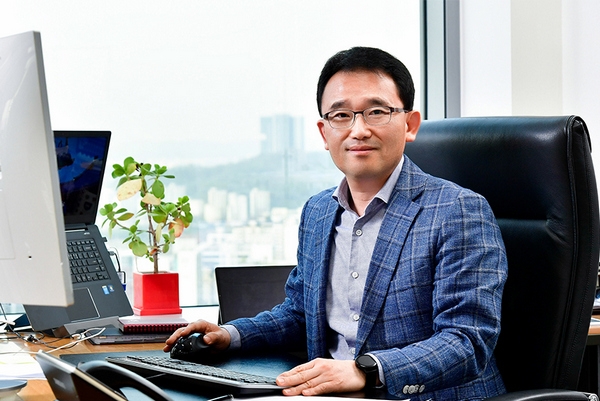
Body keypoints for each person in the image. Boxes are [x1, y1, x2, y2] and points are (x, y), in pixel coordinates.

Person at [165, 47, 508, 400]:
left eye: (377, 112)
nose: (358, 130)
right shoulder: (318, 212)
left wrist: (365, 371)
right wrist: (230, 335)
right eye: (341, 115)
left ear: (410, 125)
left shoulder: (458, 211)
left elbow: (467, 341)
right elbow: (300, 314)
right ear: (324, 132)